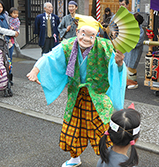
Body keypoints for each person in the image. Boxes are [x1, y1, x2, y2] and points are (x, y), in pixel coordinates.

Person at [27, 14, 127, 167]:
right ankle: (75, 158)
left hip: (97, 97)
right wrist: (35, 70)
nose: (86, 39)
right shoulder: (67, 45)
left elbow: (116, 68)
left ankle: (108, 160)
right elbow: (50, 57)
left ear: (97, 35)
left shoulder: (105, 46)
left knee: (101, 130)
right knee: (72, 128)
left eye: (91, 35)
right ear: (77, 32)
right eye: (83, 34)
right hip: (76, 95)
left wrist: (119, 64)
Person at [124, 13, 144, 89]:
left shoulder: (140, 31)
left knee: (131, 67)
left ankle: (133, 83)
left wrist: (128, 41)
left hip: (134, 51)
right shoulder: (131, 28)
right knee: (126, 66)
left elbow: (138, 42)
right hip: (128, 49)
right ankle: (127, 82)